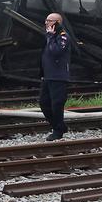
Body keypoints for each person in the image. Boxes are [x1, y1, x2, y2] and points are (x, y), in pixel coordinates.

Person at [39, 12, 72, 141]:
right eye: (46, 20)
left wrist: (51, 37)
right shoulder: (49, 37)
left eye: (49, 21)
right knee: (44, 103)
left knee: (56, 105)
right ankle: (59, 126)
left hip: (58, 77)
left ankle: (58, 131)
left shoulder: (63, 37)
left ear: (57, 23)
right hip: (47, 76)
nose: (46, 23)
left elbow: (55, 52)